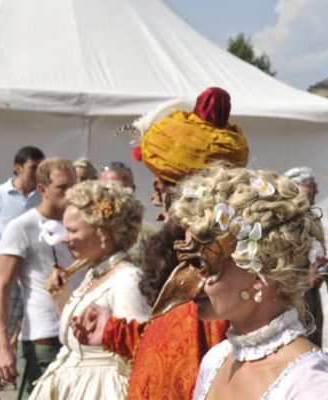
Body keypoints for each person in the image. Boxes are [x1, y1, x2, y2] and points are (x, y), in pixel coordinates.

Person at [71, 87, 246, 399]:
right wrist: (113, 332)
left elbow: (206, 361)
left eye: (159, 186)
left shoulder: (221, 273)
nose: (154, 199)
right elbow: (167, 346)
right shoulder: (183, 262)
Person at [158, 166, 328, 399]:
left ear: (259, 271)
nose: (187, 281)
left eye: (201, 263)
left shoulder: (312, 384)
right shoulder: (215, 360)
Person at [30, 180, 148, 399]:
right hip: (74, 385)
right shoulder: (94, 274)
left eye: (73, 230)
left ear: (104, 232)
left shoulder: (127, 280)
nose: (65, 239)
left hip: (101, 389)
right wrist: (61, 300)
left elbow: (139, 347)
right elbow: (79, 337)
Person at [0, 157, 84, 398]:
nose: (70, 192)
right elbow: (2, 288)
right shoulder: (22, 226)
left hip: (82, 338)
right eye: (62, 187)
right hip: (44, 340)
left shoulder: (84, 224)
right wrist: (1, 345)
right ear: (42, 189)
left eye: (73, 184)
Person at [0, 146, 43, 400]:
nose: (37, 173)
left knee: (31, 336)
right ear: (18, 167)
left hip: (34, 278)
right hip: (4, 278)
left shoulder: (43, 197)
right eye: (33, 168)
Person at [283, 166, 325, 347]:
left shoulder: (312, 216)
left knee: (314, 338)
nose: (316, 190)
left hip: (311, 290)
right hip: (294, 291)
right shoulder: (285, 217)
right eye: (311, 185)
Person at [98, 161, 156, 265]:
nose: (115, 194)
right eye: (108, 189)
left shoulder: (148, 234)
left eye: (122, 188)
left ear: (133, 189)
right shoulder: (87, 231)